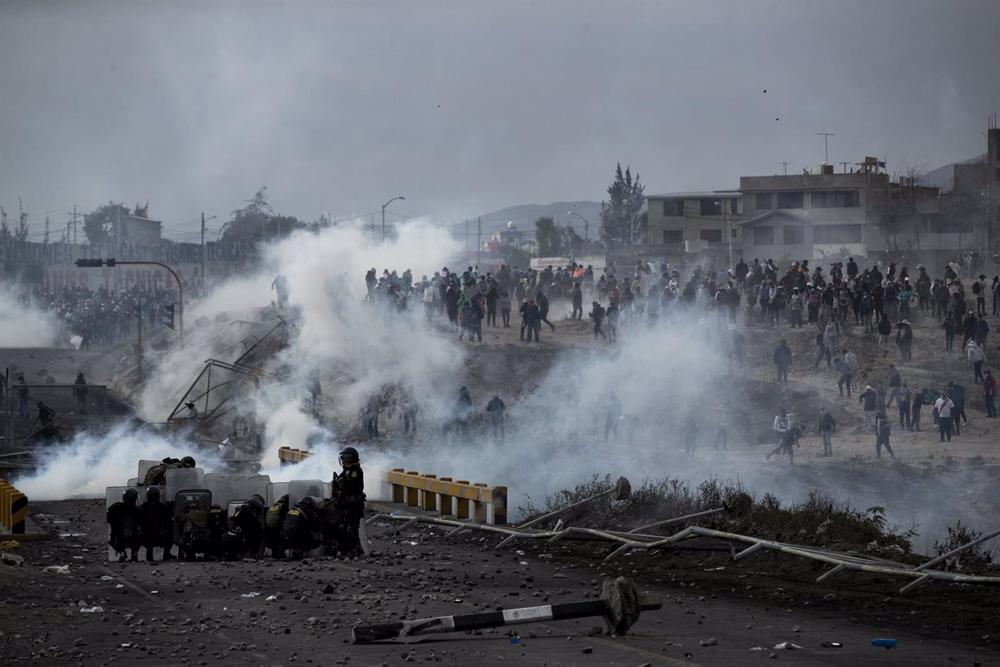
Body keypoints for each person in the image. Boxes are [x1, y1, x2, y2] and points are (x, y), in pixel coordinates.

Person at [331, 447, 366, 557]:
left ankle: (353, 550)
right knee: (346, 526)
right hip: (346, 504)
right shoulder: (346, 471)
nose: (344, 459)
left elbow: (353, 487)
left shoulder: (355, 471)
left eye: (346, 457)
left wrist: (341, 487)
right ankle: (355, 549)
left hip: (353, 504)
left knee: (352, 527)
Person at [139, 486, 175, 562]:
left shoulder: (143, 507)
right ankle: (166, 554)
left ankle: (151, 556)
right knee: (171, 529)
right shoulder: (163, 507)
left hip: (148, 537)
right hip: (160, 537)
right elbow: (169, 521)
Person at [107, 488, 142, 563]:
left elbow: (109, 520)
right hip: (133, 538)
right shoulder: (138, 510)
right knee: (138, 534)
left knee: (114, 539)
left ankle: (122, 552)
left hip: (119, 538)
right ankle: (134, 553)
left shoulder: (116, 507)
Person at [265, 494, 290, 558]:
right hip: (277, 525)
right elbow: (283, 518)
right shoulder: (284, 506)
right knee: (281, 540)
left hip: (269, 525)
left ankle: (275, 554)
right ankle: (281, 554)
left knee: (274, 541)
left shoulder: (275, 505)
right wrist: (284, 529)